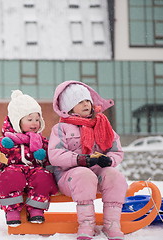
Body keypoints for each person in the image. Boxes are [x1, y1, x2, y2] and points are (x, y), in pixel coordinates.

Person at [48, 81, 128, 240]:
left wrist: (109, 160)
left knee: (115, 176)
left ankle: (112, 223)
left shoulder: (103, 124)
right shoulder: (61, 128)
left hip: (97, 174)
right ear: (69, 108)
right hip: (69, 178)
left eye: (87, 101)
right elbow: (55, 154)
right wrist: (79, 159)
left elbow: (116, 150)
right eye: (80, 102)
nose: (86, 104)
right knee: (84, 175)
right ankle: (86, 223)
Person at [0, 90, 58, 226]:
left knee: (44, 177)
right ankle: (11, 210)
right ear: (17, 121)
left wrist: (46, 161)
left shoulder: (41, 141)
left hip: (34, 173)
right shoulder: (5, 141)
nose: (34, 123)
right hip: (14, 173)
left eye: (37, 119)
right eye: (29, 119)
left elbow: (51, 160)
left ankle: (36, 209)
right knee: (11, 175)